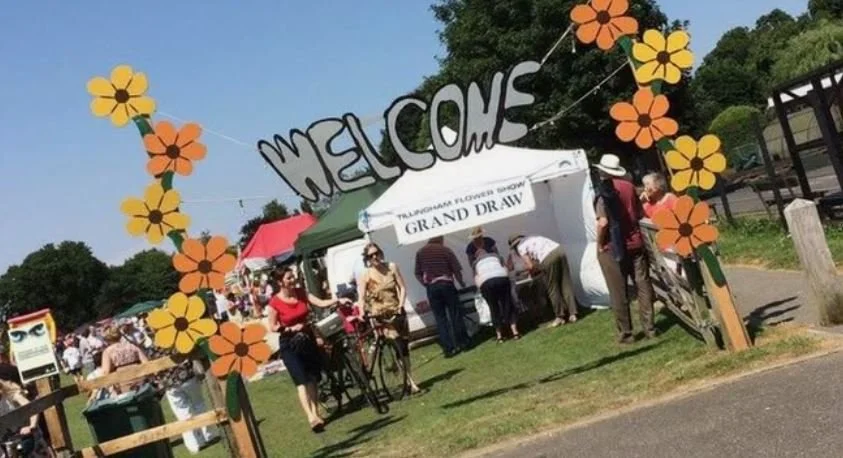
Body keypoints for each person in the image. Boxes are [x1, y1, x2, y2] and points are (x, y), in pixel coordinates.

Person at [267, 268, 349, 433]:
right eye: (289, 278)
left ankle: (316, 414)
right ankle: (310, 417)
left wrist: (337, 300)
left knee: (312, 378)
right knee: (301, 380)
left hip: (307, 339)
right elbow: (273, 326)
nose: (293, 280)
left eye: (293, 277)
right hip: (289, 344)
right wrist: (289, 329)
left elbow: (319, 302)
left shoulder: (301, 293)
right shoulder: (274, 303)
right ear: (280, 282)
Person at [594, 154, 656, 344]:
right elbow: (638, 213)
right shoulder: (629, 187)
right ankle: (649, 328)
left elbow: (603, 222)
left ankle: (626, 333)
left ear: (603, 171)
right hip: (635, 242)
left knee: (618, 292)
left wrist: (599, 244)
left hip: (614, 246)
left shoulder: (604, 191)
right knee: (643, 284)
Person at [357, 243, 422, 395]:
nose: (375, 257)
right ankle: (411, 382)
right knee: (397, 343)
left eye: (377, 253)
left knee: (404, 348)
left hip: (397, 311)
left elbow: (402, 287)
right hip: (380, 315)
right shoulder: (365, 275)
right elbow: (361, 297)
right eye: (371, 255)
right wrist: (361, 311)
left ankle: (408, 378)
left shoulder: (392, 267)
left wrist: (401, 304)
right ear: (367, 258)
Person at [414, 236, 470, 357]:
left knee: (440, 319)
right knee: (455, 314)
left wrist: (426, 284)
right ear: (440, 239)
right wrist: (461, 283)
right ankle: (463, 342)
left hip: (432, 287)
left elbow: (417, 273)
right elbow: (456, 269)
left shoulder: (420, 252)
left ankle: (449, 348)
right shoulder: (445, 250)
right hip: (446, 284)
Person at [508, 234, 577, 327]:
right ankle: (573, 313)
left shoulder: (521, 247)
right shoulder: (533, 237)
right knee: (566, 283)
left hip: (548, 257)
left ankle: (560, 316)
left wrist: (533, 271)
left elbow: (530, 266)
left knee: (552, 288)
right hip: (560, 250)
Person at [473, 249, 520, 342]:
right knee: (508, 304)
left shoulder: (475, 263)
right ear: (486, 253)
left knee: (493, 307)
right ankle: (515, 332)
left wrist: (481, 290)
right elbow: (506, 269)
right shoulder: (496, 256)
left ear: (477, 256)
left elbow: (476, 278)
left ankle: (499, 336)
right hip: (501, 278)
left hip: (486, 283)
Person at [0, 380, 55, 458]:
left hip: (27, 435)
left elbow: (33, 409)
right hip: (7, 442)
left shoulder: (12, 395)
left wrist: (32, 426)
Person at [101, 325, 149, 393]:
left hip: (122, 382)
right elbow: (146, 363)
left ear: (107, 339)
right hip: (139, 379)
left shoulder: (108, 352)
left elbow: (105, 372)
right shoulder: (131, 346)